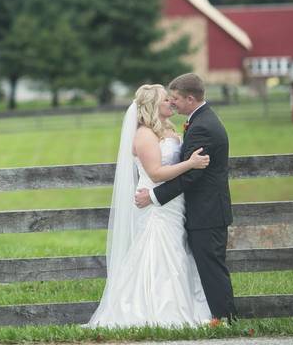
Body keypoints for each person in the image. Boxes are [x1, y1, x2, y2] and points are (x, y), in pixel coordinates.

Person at [86, 83, 212, 328]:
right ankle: (157, 310)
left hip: (174, 203)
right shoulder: (144, 135)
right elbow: (155, 173)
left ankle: (182, 305)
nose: (171, 103)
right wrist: (191, 164)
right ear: (154, 105)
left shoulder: (167, 129)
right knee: (158, 251)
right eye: (166, 100)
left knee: (176, 250)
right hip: (155, 204)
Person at [134, 73, 237, 324]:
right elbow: (171, 170)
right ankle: (197, 314)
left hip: (204, 210)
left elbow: (192, 177)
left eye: (176, 98)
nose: (172, 103)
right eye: (167, 99)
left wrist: (155, 196)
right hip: (187, 209)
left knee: (209, 264)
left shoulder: (202, 126)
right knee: (183, 262)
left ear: (190, 98)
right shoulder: (198, 121)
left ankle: (225, 318)